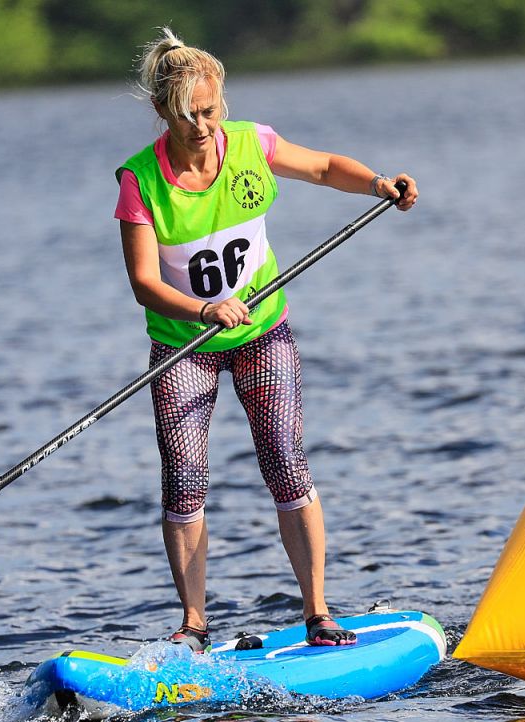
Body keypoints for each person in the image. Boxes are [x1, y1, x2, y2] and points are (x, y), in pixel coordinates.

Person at [116, 28, 418, 652]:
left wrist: (378, 184)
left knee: (284, 457)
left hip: (262, 332)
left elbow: (326, 167)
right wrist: (204, 309)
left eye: (209, 110)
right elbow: (145, 283)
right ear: (162, 112)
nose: (201, 125)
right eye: (186, 114)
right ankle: (194, 626)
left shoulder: (254, 143)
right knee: (184, 478)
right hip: (184, 347)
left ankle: (318, 613)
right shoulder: (140, 181)